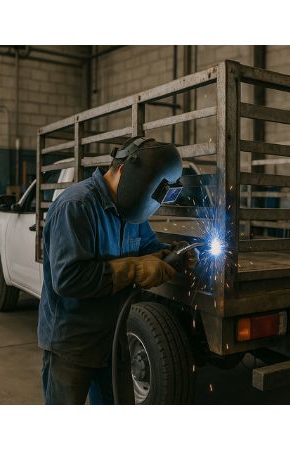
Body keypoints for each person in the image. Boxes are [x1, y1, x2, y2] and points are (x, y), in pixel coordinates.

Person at [37, 137, 196, 405]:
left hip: (113, 340)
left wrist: (172, 255)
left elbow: (147, 247)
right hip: (71, 343)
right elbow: (68, 279)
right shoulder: (76, 206)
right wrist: (135, 269)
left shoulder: (131, 210)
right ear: (124, 171)